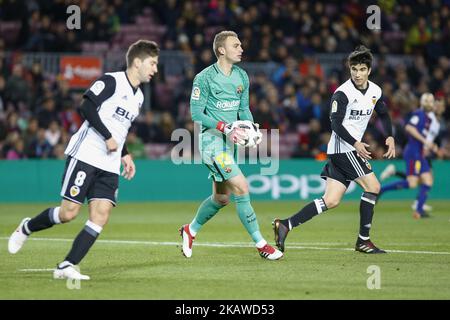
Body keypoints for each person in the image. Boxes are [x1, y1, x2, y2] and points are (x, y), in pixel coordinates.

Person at [8, 40, 160, 280]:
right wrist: (108, 137)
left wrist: (125, 153)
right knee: (68, 213)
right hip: (86, 154)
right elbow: (86, 107)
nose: (155, 69)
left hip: (109, 163)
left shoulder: (139, 97)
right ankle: (27, 226)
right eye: (152, 64)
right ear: (138, 62)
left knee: (101, 215)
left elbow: (120, 129)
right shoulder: (111, 81)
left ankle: (66, 265)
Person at [273, 45, 395, 254]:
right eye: (354, 69)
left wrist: (390, 136)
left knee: (331, 200)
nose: (357, 74)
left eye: (362, 69)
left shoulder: (375, 91)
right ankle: (363, 241)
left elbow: (383, 113)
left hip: (346, 150)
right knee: (373, 187)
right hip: (343, 149)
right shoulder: (342, 93)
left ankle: (286, 224)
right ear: (350, 69)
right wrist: (356, 143)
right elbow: (336, 125)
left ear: (369, 70)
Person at [180, 31, 283, 260]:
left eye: (241, 45)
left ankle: (190, 230)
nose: (241, 49)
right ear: (221, 50)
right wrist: (225, 127)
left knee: (221, 199)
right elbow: (196, 114)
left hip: (231, 143)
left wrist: (250, 128)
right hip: (212, 142)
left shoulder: (242, 77)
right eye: (236, 45)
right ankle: (261, 245)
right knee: (242, 188)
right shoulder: (204, 78)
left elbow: (243, 108)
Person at [379, 93, 439, 218]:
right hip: (413, 153)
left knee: (428, 179)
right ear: (422, 103)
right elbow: (409, 127)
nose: (429, 103)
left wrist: (430, 145)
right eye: (426, 101)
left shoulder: (428, 118)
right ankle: (381, 189)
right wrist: (425, 141)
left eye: (431, 101)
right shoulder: (419, 114)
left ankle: (419, 210)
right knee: (412, 183)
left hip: (420, 153)